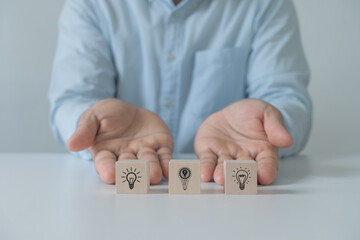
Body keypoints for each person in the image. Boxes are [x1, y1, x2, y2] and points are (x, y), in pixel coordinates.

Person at [49, 0, 312, 186]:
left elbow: (286, 97)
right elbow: (73, 99)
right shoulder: (91, 4)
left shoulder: (267, 4)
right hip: (122, 200)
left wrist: (270, 123)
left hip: (222, 198)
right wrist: (92, 124)